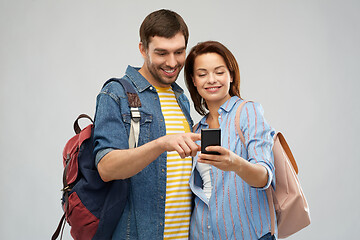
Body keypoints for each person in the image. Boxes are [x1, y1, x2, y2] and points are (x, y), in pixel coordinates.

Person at [93, 9, 201, 239]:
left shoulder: (180, 98)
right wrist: (161, 144)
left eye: (179, 52)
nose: (172, 63)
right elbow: (106, 168)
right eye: (161, 53)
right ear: (143, 49)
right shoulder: (116, 94)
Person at [184, 41, 277, 240]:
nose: (211, 80)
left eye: (219, 72)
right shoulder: (196, 129)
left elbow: (264, 176)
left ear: (231, 75)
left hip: (248, 235)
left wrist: (235, 164)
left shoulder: (248, 112)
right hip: (202, 234)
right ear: (193, 80)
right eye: (202, 74)